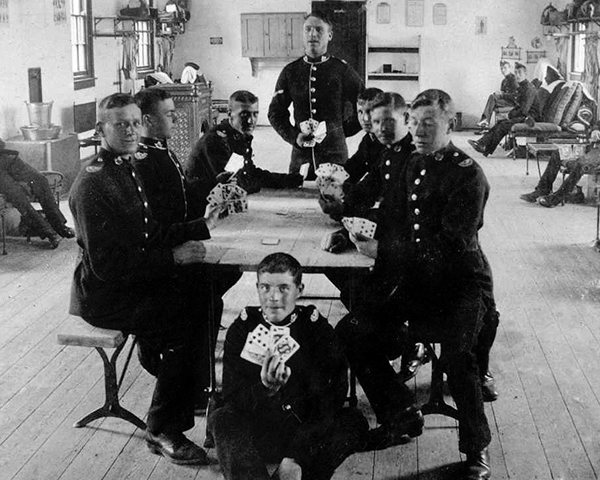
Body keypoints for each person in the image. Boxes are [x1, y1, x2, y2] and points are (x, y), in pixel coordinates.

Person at [337, 89, 497, 480]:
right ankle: (400, 415)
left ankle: (475, 448)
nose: (418, 131)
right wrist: (350, 233)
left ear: (450, 124)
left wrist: (385, 252)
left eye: (429, 123)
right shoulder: (412, 163)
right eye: (414, 123)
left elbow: (450, 244)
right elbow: (393, 217)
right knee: (352, 332)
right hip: (417, 282)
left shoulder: (467, 173)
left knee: (460, 359)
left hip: (462, 285)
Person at [69, 93, 210, 465]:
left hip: (128, 283)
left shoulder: (127, 166)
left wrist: (203, 226)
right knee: (181, 321)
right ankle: (163, 428)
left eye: (134, 122)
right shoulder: (93, 184)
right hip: (104, 296)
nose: (131, 130)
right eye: (120, 124)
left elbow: (146, 234)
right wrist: (173, 257)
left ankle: (187, 391)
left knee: (200, 296)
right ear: (101, 130)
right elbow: (108, 267)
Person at [208, 252, 368, 480]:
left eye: (283, 288)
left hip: (303, 431)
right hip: (258, 432)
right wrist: (265, 389)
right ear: (257, 288)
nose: (273, 297)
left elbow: (331, 398)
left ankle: (293, 470)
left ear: (299, 290)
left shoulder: (316, 329)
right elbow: (233, 398)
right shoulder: (243, 329)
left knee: (353, 421)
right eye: (265, 288)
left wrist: (295, 455)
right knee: (221, 419)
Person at [133, 87, 240, 411]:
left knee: (218, 283)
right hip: (163, 257)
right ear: (148, 119)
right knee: (207, 293)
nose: (176, 117)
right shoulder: (144, 159)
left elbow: (180, 194)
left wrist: (213, 183)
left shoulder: (160, 149)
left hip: (177, 242)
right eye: (169, 113)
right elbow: (153, 225)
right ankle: (182, 375)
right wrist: (199, 226)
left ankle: (197, 380)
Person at [268, 11, 364, 176]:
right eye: (308, 29)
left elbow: (364, 106)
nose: (313, 34)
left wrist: (340, 132)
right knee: (299, 197)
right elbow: (275, 113)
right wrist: (294, 137)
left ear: (330, 35)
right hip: (301, 156)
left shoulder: (342, 70)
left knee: (335, 196)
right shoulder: (290, 71)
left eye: (319, 30)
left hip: (335, 154)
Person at [186, 90, 303, 207]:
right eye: (244, 114)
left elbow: (249, 172)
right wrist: (256, 181)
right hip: (202, 209)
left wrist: (287, 180)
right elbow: (233, 184)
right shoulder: (217, 140)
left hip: (219, 204)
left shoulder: (238, 135)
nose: (251, 121)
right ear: (229, 113)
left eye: (255, 114)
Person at [0, 141, 74, 248]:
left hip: (6, 159)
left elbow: (1, 144)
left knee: (40, 180)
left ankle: (59, 225)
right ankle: (49, 232)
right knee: (18, 195)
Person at [469, 62, 541, 157]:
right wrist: (510, 114)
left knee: (503, 125)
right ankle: (482, 144)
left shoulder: (528, 88)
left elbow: (524, 110)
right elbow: (518, 106)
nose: (517, 75)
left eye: (520, 73)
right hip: (524, 115)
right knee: (500, 123)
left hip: (530, 118)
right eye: (516, 73)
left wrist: (510, 115)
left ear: (525, 73)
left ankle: (486, 148)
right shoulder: (522, 87)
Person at [520, 129, 600, 207]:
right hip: (593, 148)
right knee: (557, 154)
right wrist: (595, 130)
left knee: (581, 164)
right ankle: (542, 189)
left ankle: (557, 198)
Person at [476, 60, 518, 129]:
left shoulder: (513, 79)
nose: (503, 70)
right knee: (493, 97)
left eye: (505, 68)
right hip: (506, 101)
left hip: (513, 103)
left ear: (510, 68)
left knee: (493, 98)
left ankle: (485, 121)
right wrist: (499, 94)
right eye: (501, 68)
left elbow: (515, 96)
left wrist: (501, 94)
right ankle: (485, 123)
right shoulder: (504, 81)